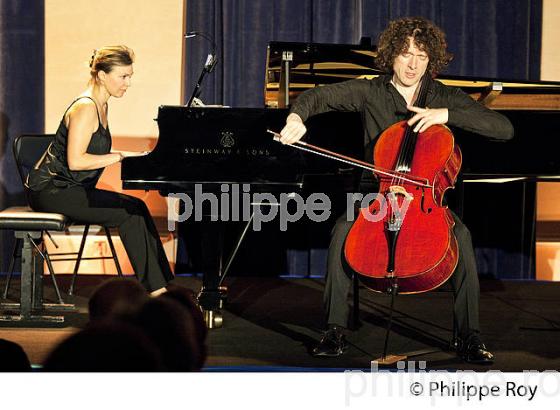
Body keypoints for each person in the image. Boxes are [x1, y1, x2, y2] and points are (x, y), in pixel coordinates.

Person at [280, 17, 514, 364]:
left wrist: (446, 115)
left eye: (421, 55)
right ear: (391, 55)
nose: (413, 63)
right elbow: (316, 97)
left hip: (424, 198)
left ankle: (468, 336)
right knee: (342, 231)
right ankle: (334, 330)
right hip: (374, 193)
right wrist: (296, 118)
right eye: (405, 54)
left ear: (430, 59)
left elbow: (503, 128)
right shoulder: (370, 90)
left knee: (461, 237)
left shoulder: (441, 95)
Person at [26, 45, 173, 295]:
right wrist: (118, 156)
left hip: (71, 188)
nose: (128, 83)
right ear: (103, 76)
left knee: (138, 207)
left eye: (130, 76)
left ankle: (164, 284)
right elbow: (76, 161)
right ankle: (157, 292)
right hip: (52, 190)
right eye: (123, 76)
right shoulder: (85, 108)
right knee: (129, 214)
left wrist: (132, 158)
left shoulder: (102, 106)